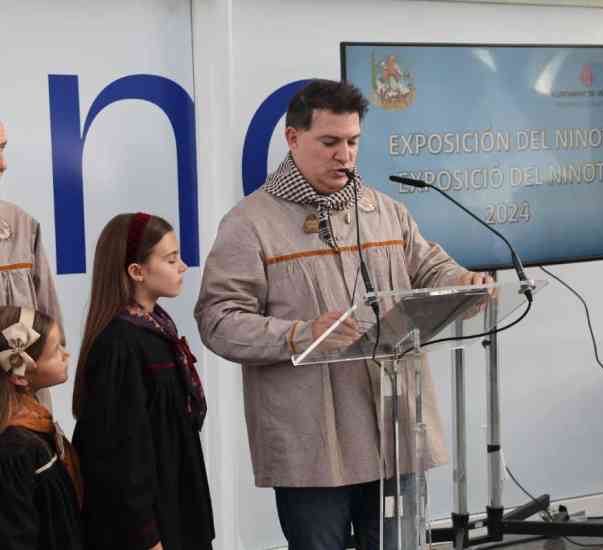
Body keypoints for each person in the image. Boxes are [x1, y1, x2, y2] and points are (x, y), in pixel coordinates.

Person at [194, 79, 492, 549]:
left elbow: (430, 266)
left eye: (353, 142)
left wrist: (463, 282)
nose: (345, 155)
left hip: (395, 427)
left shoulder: (384, 211)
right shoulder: (249, 223)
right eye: (330, 142)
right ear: (293, 139)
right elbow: (218, 319)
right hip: (314, 442)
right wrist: (299, 334)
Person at [72, 213, 214, 550]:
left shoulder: (158, 328)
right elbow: (119, 453)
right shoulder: (120, 344)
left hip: (176, 510)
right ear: (137, 271)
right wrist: (146, 536)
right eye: (171, 259)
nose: (183, 267)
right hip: (149, 528)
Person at [0, 305, 82, 550]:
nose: (66, 355)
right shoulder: (15, 449)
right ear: (20, 375)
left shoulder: (37, 422)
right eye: (56, 350)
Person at [0, 120, 63, 412]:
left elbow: (50, 333)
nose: (3, 165)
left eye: (3, 149)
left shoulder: (22, 226)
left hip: (24, 408)